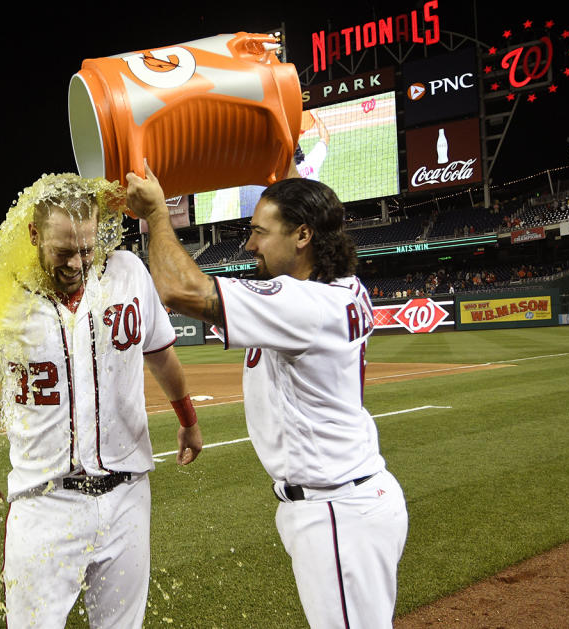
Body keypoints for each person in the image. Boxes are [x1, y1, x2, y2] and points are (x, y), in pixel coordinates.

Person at [127, 163, 408, 629]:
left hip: (337, 512)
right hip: (352, 500)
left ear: (302, 236)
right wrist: (283, 161)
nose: (250, 244)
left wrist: (157, 213)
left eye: (260, 232)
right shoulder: (341, 287)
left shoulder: (304, 305)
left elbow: (177, 290)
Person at [0, 175, 203, 629]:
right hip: (44, 503)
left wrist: (187, 418)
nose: (77, 262)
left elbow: (160, 352)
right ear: (34, 236)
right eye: (63, 251)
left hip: (128, 494)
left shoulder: (127, 272)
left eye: (86, 249)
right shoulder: (1, 300)